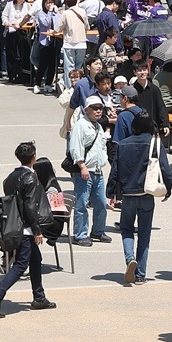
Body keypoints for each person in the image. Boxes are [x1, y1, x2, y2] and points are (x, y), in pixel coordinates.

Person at [0, 141, 55, 317]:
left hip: (13, 224)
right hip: (26, 228)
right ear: (33, 157)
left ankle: (39, 297)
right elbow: (30, 206)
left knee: (35, 259)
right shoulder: (30, 177)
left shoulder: (11, 177)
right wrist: (37, 230)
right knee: (20, 265)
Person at [110, 113, 159, 286]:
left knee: (126, 229)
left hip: (128, 194)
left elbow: (115, 170)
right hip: (147, 193)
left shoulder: (123, 144)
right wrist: (168, 189)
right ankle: (140, 275)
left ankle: (130, 257)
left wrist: (111, 193)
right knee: (144, 233)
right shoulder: (154, 143)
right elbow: (165, 168)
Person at [66, 94, 111, 245]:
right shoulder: (80, 125)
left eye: (100, 108)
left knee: (101, 203)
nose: (99, 111)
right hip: (85, 171)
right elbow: (75, 147)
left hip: (97, 171)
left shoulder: (98, 127)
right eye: (95, 108)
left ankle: (98, 231)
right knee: (82, 204)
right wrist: (82, 166)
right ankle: (80, 234)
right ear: (87, 110)